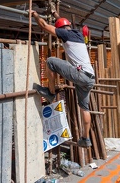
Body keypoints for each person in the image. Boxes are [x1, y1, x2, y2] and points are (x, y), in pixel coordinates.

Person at [31, 8, 95, 148]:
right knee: (84, 108)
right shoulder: (76, 33)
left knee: (51, 61)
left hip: (81, 74)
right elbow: (62, 23)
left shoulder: (65, 34)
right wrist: (55, 14)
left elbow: (44, 26)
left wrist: (35, 14)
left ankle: (50, 92)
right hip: (90, 78)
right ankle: (85, 138)